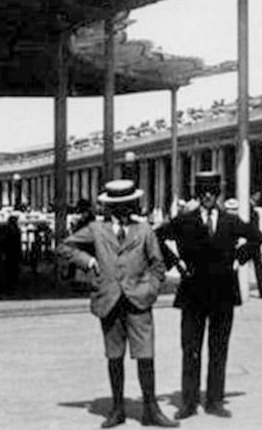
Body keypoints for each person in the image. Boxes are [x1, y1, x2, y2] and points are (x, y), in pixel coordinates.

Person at [59, 180, 177, 428]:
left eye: (127, 205)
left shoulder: (144, 230)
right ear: (108, 207)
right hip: (109, 300)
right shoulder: (96, 229)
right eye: (117, 206)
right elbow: (65, 246)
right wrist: (89, 262)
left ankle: (151, 409)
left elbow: (158, 264)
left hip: (138, 301)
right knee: (114, 356)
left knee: (146, 355)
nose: (123, 210)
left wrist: (151, 289)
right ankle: (117, 408)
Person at [156, 171, 262, 420]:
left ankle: (215, 400)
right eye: (203, 191)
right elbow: (156, 236)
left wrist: (238, 259)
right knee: (190, 349)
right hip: (193, 292)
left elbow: (257, 238)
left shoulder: (230, 221)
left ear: (218, 193)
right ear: (197, 193)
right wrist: (176, 263)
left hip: (223, 293)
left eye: (212, 191)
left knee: (219, 348)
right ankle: (189, 402)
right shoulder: (184, 221)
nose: (207, 196)